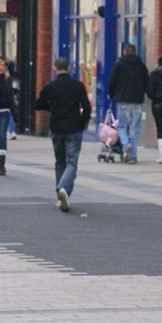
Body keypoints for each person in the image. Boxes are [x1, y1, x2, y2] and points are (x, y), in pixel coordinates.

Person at [35, 57, 91, 211]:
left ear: (55, 68)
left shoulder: (50, 87)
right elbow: (86, 106)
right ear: (69, 68)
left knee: (60, 161)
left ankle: (60, 194)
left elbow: (38, 104)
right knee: (72, 161)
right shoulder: (77, 86)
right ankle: (64, 188)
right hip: (74, 127)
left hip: (57, 128)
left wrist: (52, 107)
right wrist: (84, 121)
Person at [108, 43, 147, 163]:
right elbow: (147, 82)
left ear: (124, 52)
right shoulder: (141, 66)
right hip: (137, 100)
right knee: (134, 129)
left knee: (121, 126)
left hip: (123, 99)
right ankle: (133, 157)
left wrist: (111, 94)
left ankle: (126, 144)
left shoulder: (119, 65)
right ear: (135, 52)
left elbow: (112, 81)